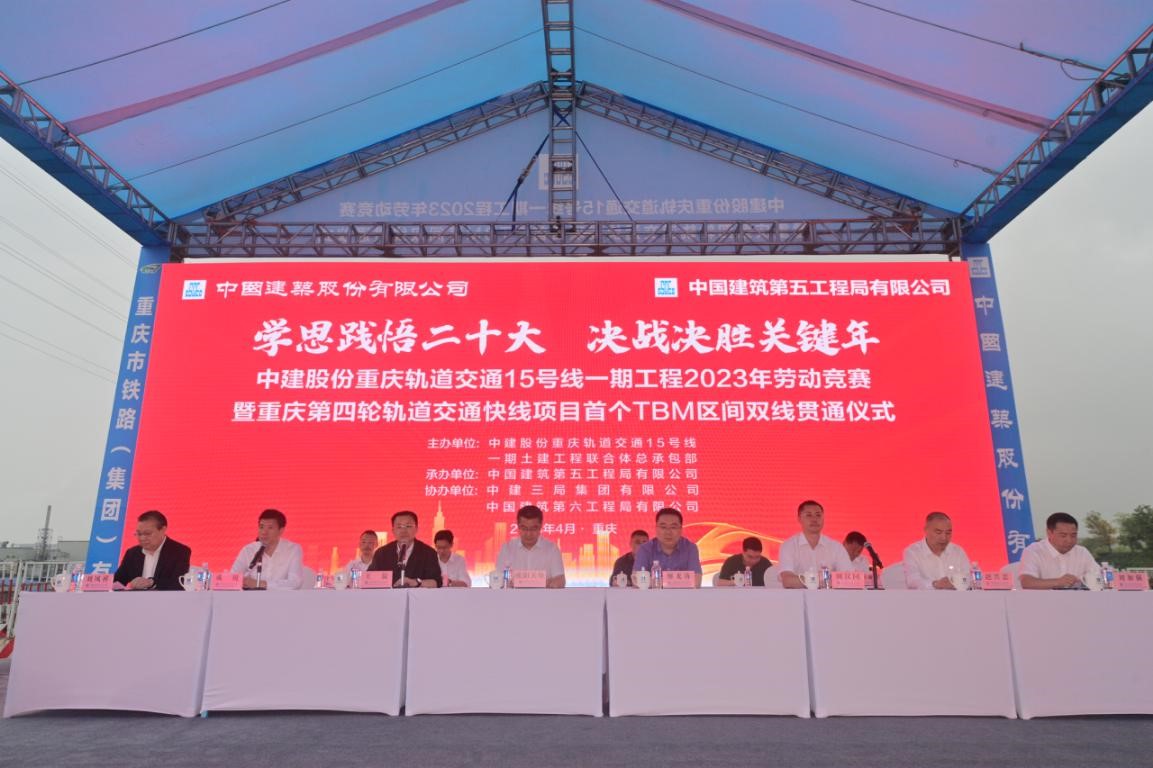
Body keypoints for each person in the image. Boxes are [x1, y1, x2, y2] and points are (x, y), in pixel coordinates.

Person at [777, 500, 853, 588]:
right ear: (799, 519)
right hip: (799, 596)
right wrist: (820, 581)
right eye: (809, 515)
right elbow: (788, 581)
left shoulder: (836, 547)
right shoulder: (789, 546)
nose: (814, 519)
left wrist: (811, 581)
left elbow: (849, 578)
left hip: (830, 596)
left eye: (818, 515)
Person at [113, 510, 192, 591]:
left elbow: (180, 583)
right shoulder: (132, 553)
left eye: (147, 533)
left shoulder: (180, 551)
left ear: (163, 530)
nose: (142, 538)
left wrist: (151, 582)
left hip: (166, 599)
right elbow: (117, 581)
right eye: (139, 534)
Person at [1019, 512, 1101, 589]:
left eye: (1073, 535)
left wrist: (1084, 581)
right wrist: (1057, 582)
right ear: (1049, 533)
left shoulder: (1082, 552)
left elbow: (1100, 578)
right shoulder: (1034, 551)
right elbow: (1026, 582)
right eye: (1063, 535)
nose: (1069, 540)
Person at [230, 509, 303, 590]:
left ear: (281, 531)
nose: (264, 532)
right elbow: (232, 578)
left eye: (270, 528)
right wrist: (242, 582)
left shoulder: (293, 549)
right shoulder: (248, 550)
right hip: (251, 597)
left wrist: (260, 584)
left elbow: (295, 582)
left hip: (281, 597)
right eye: (261, 527)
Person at [495, 505, 566, 588]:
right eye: (524, 528)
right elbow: (497, 581)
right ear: (518, 526)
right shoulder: (507, 548)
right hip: (513, 596)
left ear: (540, 526)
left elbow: (560, 580)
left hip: (544, 596)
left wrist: (552, 582)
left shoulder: (552, 549)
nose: (528, 534)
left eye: (533, 528)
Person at [368, 511, 441, 588]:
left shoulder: (429, 553)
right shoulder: (381, 553)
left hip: (417, 595)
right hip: (388, 595)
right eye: (399, 527)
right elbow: (369, 578)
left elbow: (436, 582)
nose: (403, 531)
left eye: (408, 526)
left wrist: (416, 582)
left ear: (416, 529)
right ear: (393, 530)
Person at [633, 508, 703, 587]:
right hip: (653, 595)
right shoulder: (645, 549)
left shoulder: (690, 548)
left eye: (673, 527)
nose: (668, 532)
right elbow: (637, 580)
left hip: (683, 595)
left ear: (681, 529)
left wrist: (656, 582)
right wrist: (680, 581)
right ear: (656, 529)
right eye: (663, 527)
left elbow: (696, 581)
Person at [902, 512, 972, 589]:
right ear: (926, 530)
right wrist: (935, 584)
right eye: (938, 532)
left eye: (948, 533)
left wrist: (956, 583)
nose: (944, 537)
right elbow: (913, 581)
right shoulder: (912, 552)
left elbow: (969, 578)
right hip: (925, 596)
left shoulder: (958, 551)